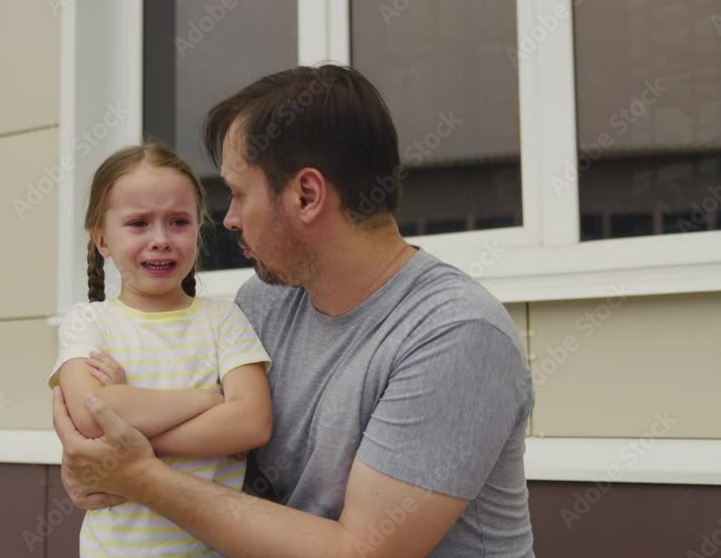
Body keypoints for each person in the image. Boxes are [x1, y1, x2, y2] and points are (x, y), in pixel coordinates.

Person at [53, 65, 536, 557]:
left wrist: (138, 474)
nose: (229, 219)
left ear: (306, 195)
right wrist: (100, 462)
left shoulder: (456, 334)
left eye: (239, 193)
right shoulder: (264, 302)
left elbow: (361, 553)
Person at [48, 143, 272, 557]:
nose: (161, 240)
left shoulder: (224, 321)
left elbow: (251, 422)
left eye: (178, 222)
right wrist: (210, 400)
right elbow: (91, 413)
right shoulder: (89, 322)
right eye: (138, 223)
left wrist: (126, 434)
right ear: (102, 239)